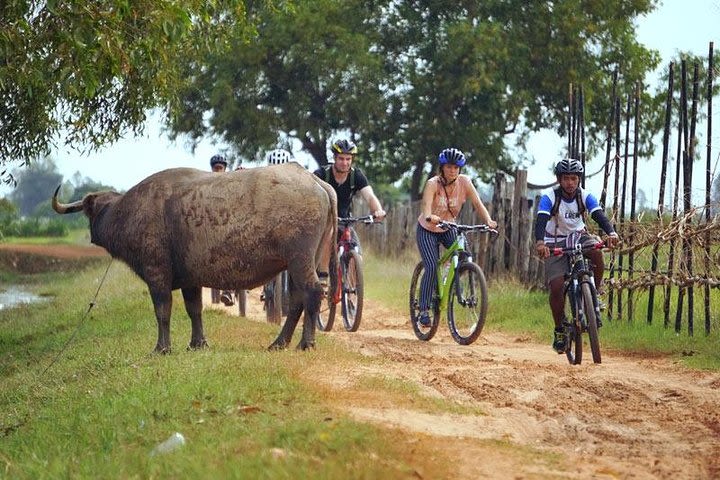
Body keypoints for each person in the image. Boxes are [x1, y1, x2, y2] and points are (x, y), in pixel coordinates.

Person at [533, 157, 620, 354]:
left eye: (573, 178)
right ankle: (559, 330)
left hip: (578, 236)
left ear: (579, 179)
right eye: (565, 179)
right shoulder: (549, 197)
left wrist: (611, 233)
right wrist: (540, 243)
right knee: (556, 287)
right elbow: (541, 220)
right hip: (553, 240)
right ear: (558, 179)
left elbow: (598, 214)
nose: (569, 183)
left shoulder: (585, 195)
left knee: (596, 251)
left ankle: (595, 294)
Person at [416, 147, 497, 326]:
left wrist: (489, 220)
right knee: (430, 265)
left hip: (448, 227)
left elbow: (477, 203)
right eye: (449, 167)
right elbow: (426, 205)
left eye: (456, 167)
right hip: (428, 229)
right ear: (442, 167)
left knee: (465, 256)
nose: (453, 171)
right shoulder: (432, 183)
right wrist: (430, 216)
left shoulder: (465, 182)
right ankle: (423, 309)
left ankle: (447, 280)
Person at [313, 138, 386, 290]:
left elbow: (370, 196)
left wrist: (377, 210)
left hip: (345, 220)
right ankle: (323, 277)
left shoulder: (356, 176)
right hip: (325, 221)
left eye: (348, 159)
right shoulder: (321, 174)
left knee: (357, 255)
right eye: (341, 159)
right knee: (329, 234)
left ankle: (351, 292)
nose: (345, 163)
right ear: (334, 158)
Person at [209, 154, 236, 307]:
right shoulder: (207, 184)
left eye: (221, 168)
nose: (218, 171)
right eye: (216, 168)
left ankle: (229, 291)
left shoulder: (232, 181)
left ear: (225, 169)